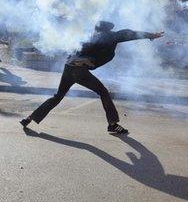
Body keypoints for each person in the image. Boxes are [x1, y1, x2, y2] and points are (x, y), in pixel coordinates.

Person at [20, 21, 164, 134]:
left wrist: (80, 60)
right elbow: (130, 33)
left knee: (57, 97)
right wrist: (151, 35)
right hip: (79, 71)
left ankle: (30, 118)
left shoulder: (93, 37)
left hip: (69, 68)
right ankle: (113, 124)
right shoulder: (109, 36)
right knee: (103, 92)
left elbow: (73, 53)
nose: (95, 31)